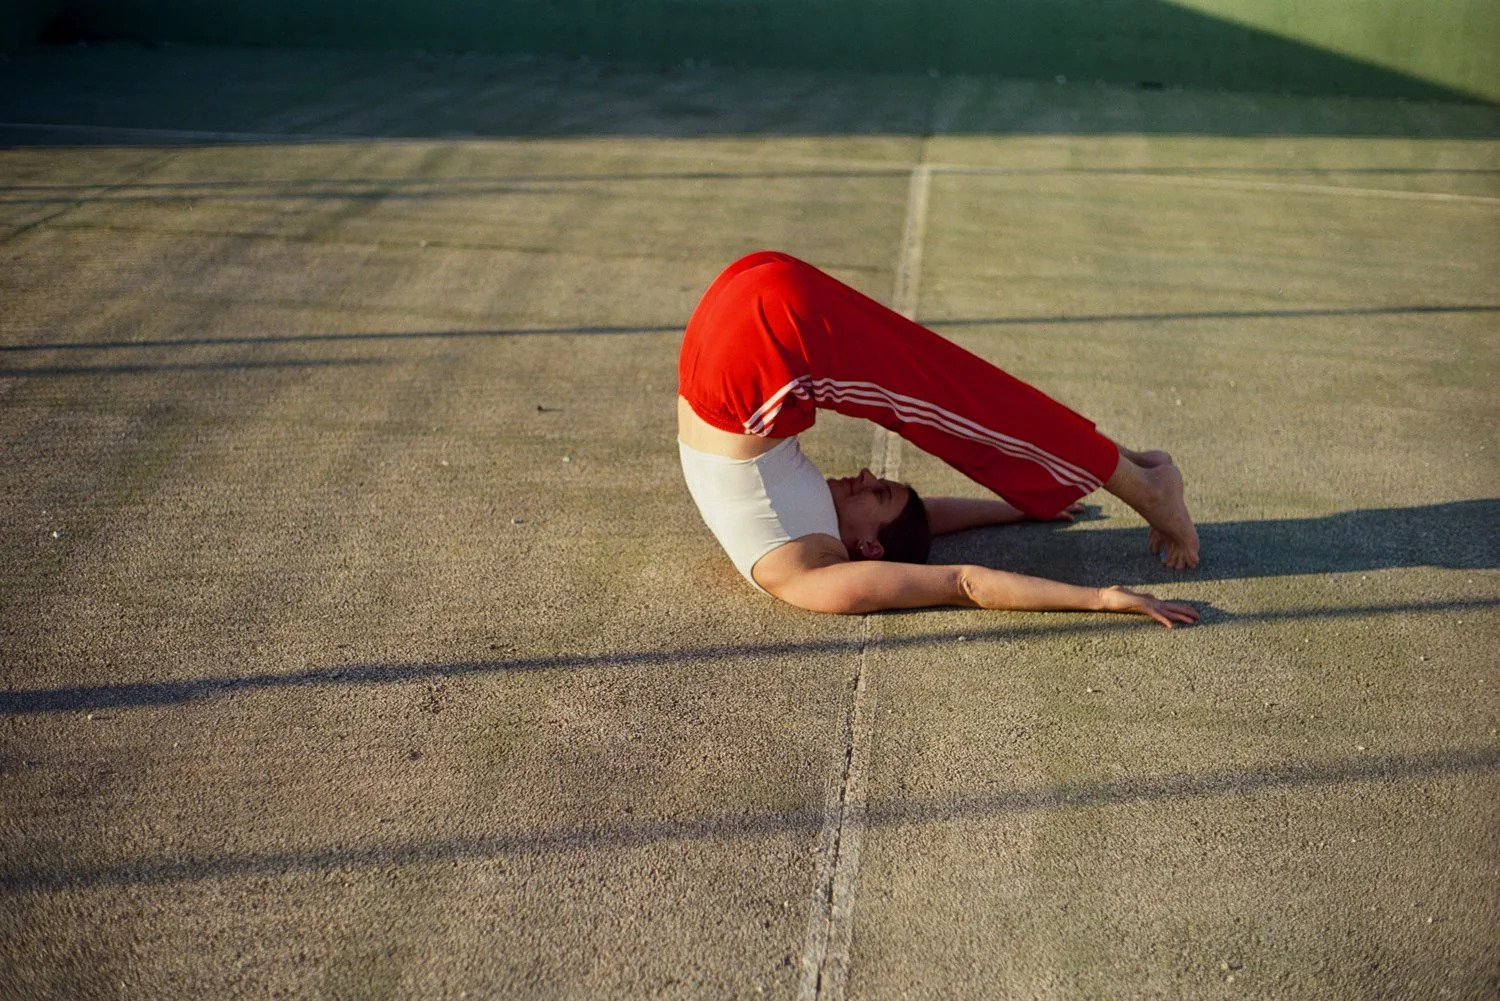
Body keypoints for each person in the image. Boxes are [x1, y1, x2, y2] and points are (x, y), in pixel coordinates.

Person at [677, 251, 1200, 629]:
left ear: (871, 551)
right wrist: (1020, 516)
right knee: (965, 395)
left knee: (962, 399)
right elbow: (945, 550)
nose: (864, 476)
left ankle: (1139, 480)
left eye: (876, 492)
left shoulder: (814, 578)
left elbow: (962, 582)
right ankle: (1135, 473)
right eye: (881, 489)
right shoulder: (821, 550)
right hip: (745, 321)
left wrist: (1098, 598)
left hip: (753, 355)